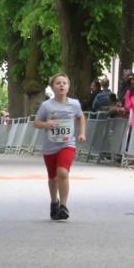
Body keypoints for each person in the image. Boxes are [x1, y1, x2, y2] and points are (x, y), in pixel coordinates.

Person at [34, 73, 86, 221]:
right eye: (58, 83)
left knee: (62, 173)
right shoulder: (46, 105)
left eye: (65, 83)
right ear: (52, 87)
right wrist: (46, 124)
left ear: (68, 87)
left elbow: (81, 117)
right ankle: (54, 202)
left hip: (67, 144)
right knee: (52, 177)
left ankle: (63, 206)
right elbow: (36, 123)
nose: (62, 85)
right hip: (50, 146)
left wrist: (82, 133)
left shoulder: (74, 104)